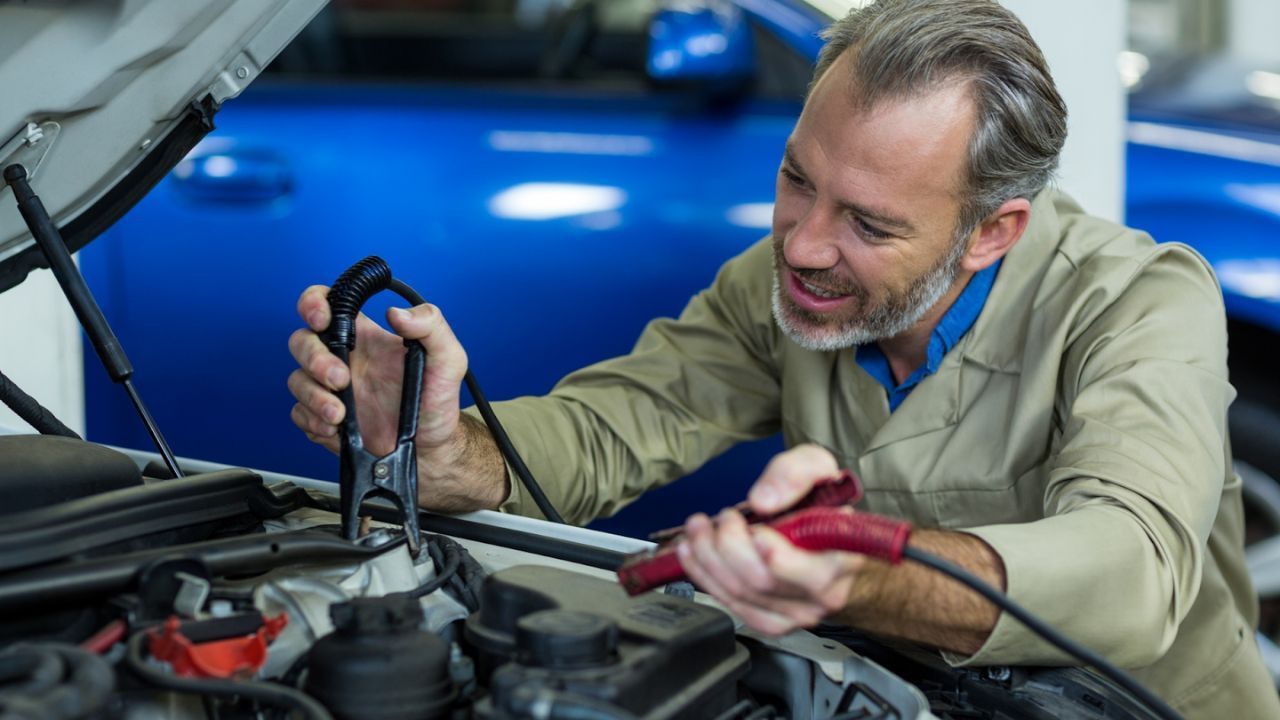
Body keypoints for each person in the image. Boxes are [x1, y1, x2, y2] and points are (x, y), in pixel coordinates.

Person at [286, 0, 1278, 715]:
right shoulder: (776, 281)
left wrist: (849, 574)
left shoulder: (1137, 301)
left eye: (866, 222)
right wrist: (444, 446)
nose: (801, 244)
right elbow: (596, 438)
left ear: (989, 232)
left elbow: (1130, 571)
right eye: (795, 180)